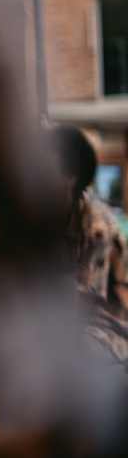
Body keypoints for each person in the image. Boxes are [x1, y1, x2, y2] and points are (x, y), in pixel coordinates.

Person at [51, 126, 128, 362]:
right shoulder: (41, 217)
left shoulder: (97, 228)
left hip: (106, 332)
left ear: (70, 178)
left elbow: (87, 307)